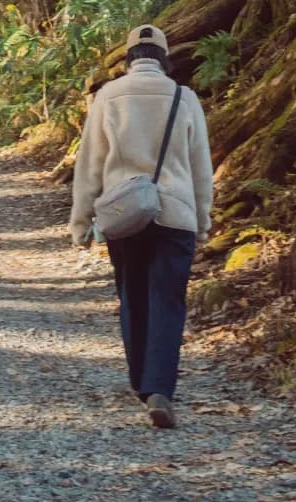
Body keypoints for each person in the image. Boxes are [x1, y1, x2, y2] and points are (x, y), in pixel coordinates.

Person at [68, 22, 213, 431]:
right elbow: (202, 167)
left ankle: (139, 381)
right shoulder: (185, 98)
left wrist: (80, 222)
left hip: (125, 212)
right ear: (164, 58)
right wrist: (202, 221)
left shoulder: (107, 97)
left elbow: (90, 166)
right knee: (168, 299)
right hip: (177, 214)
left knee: (132, 294)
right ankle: (160, 387)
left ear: (129, 58)